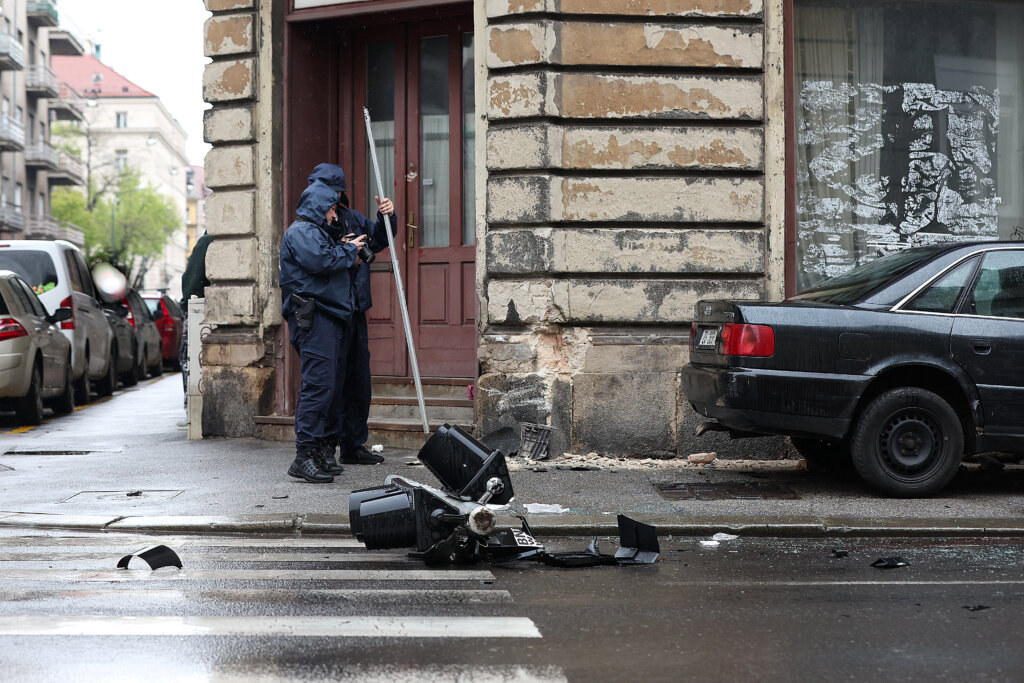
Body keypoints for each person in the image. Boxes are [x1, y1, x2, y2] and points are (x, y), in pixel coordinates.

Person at [305, 163, 396, 466]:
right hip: (329, 312)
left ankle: (353, 445)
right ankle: (326, 448)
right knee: (332, 381)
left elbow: (381, 241)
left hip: (355, 308)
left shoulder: (352, 218)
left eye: (332, 190)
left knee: (359, 381)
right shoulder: (310, 226)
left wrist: (387, 216)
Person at [179, 231, 212, 406]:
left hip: (200, 314)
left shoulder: (207, 240)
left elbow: (191, 282)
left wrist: (187, 305)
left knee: (189, 362)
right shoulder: (212, 239)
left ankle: (192, 409)